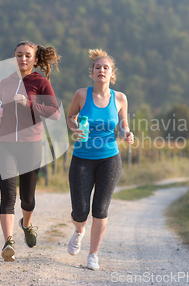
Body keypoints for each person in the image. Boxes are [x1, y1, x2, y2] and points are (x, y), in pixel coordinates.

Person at [0, 41, 61, 261]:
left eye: (27, 55)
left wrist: (30, 104)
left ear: (35, 59)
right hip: (4, 144)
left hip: (31, 145)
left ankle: (27, 224)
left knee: (27, 199)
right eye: (19, 55)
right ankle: (8, 242)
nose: (23, 59)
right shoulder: (5, 82)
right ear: (14, 58)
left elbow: (55, 113)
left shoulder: (41, 83)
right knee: (8, 195)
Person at [66, 49, 134, 270]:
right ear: (92, 72)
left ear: (112, 73)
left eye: (106, 68)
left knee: (101, 209)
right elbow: (70, 118)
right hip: (82, 158)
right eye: (98, 67)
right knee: (80, 210)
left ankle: (93, 255)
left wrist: (126, 133)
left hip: (109, 159)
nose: (101, 70)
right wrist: (75, 129)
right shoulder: (81, 95)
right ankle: (79, 231)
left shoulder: (120, 98)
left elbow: (123, 125)